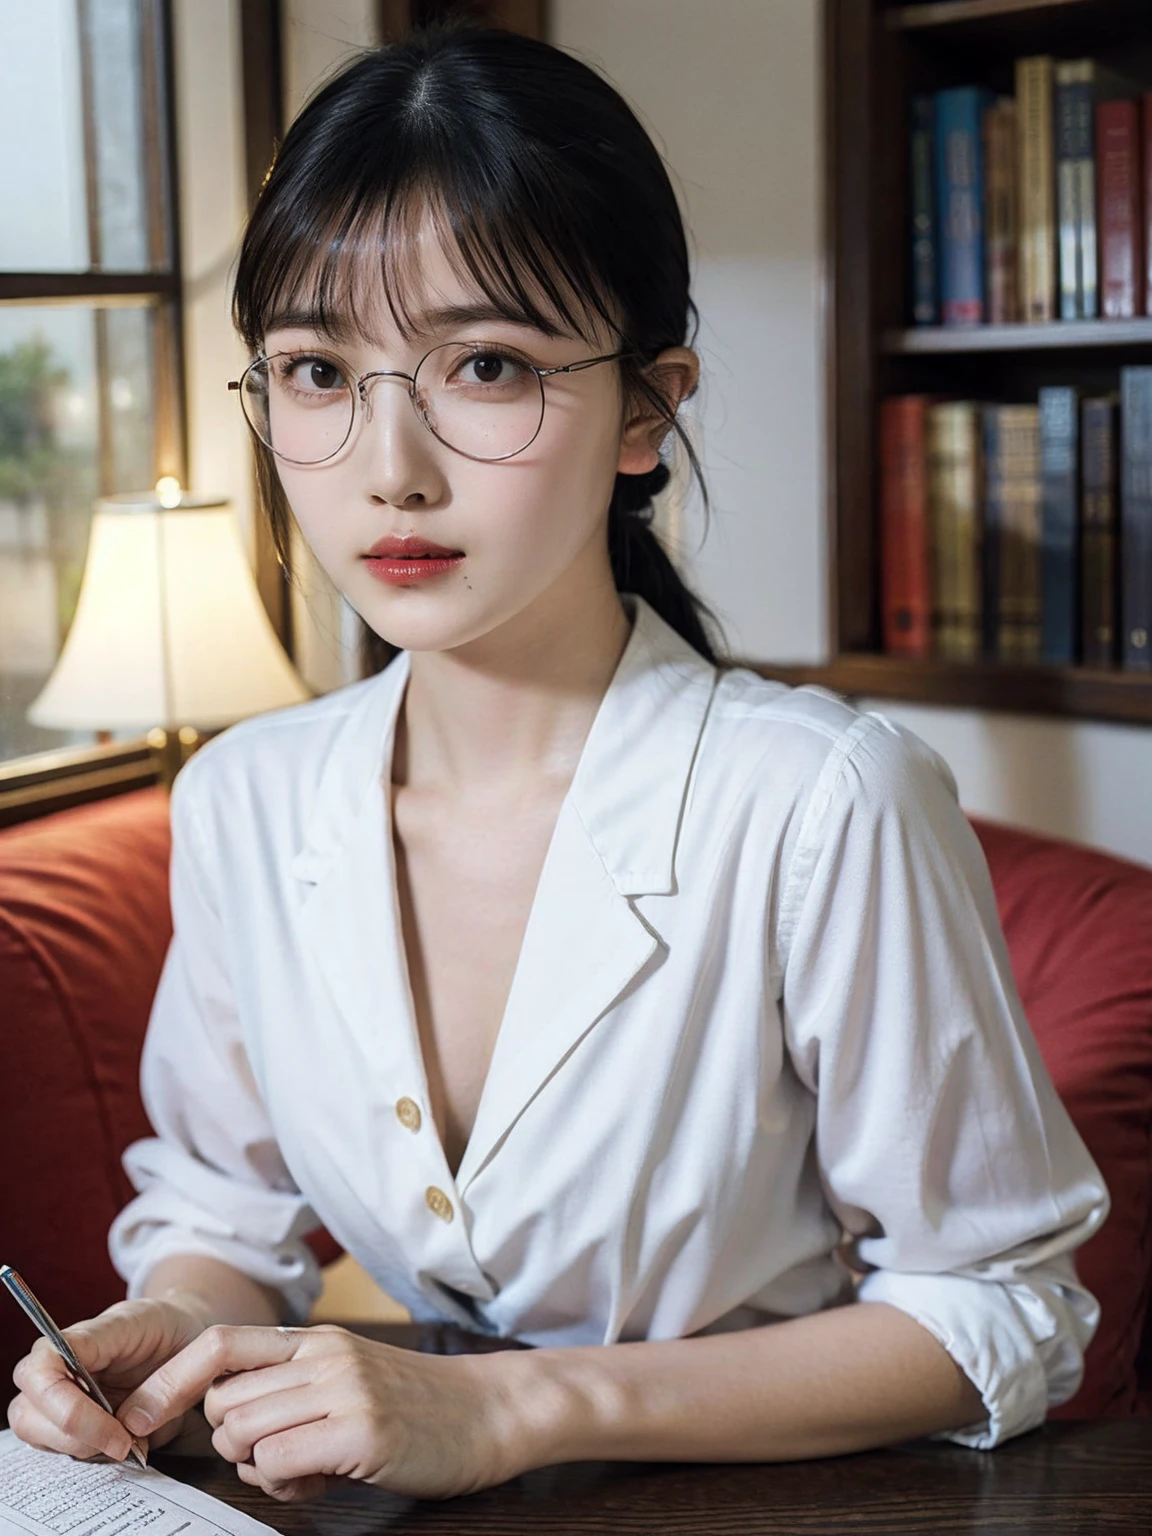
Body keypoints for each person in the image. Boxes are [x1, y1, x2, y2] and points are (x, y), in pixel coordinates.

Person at [10, 21, 1109, 1504]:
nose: (389, 464)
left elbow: (1001, 1315)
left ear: (648, 407)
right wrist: (179, 1332)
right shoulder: (246, 802)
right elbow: (225, 1205)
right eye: (318, 371)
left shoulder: (822, 803)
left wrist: (515, 1411)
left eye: (485, 363)